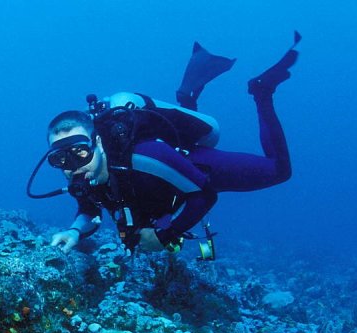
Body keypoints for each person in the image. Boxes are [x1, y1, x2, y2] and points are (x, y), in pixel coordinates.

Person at [44, 34, 300, 255]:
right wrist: (75, 232)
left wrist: (165, 236)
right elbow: (88, 209)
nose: (73, 166)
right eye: (61, 159)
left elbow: (205, 193)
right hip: (164, 187)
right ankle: (186, 96)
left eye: (80, 152)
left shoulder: (145, 156)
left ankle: (261, 92)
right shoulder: (80, 170)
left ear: (97, 143)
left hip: (193, 165)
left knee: (279, 170)